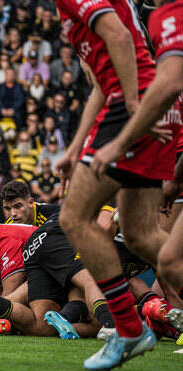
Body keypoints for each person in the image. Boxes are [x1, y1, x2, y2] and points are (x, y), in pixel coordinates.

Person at [54, 0, 163, 370]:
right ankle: (131, 329)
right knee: (142, 235)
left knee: (74, 218)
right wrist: (74, 148)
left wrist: (134, 106)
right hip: (146, 99)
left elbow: (118, 37)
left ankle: (130, 328)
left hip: (129, 103)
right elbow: (101, 82)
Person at [89, 0, 183, 335]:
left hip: (168, 164)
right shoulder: (158, 30)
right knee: (164, 257)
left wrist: (120, 142)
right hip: (168, 165)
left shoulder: (168, 21)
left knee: (166, 258)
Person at [0, 212, 114, 339]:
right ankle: (110, 325)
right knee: (87, 290)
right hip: (46, 248)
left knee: (41, 327)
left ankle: (73, 319)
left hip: (47, 242)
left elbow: (8, 294)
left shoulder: (4, 240)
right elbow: (0, 291)